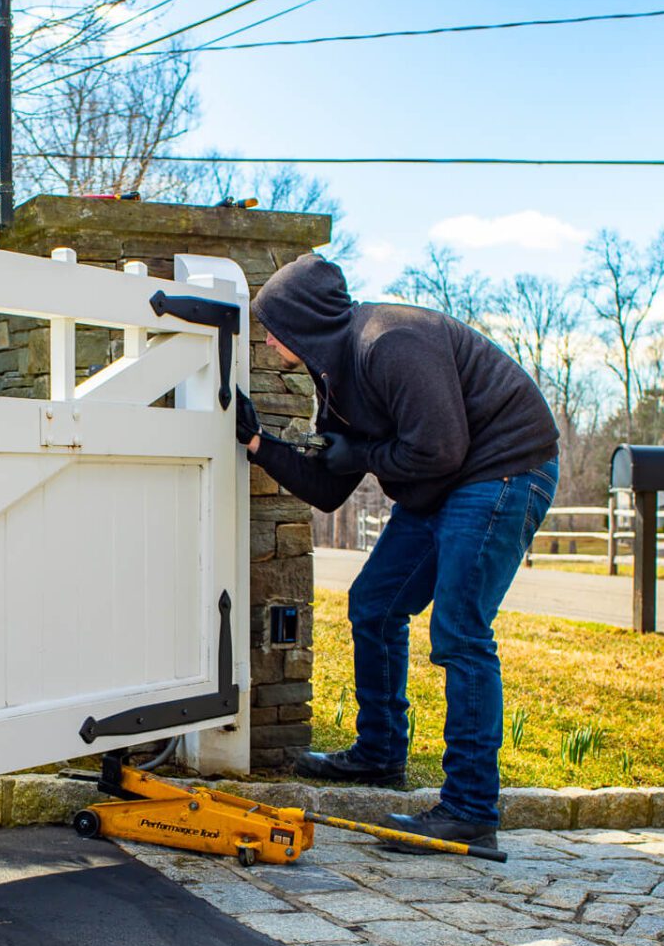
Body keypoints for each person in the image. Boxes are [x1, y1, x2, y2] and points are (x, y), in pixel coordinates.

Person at [237, 254, 559, 849]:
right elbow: (330, 489)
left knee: (460, 630)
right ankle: (379, 751)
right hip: (446, 483)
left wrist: (359, 455)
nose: (267, 336)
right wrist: (260, 444)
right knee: (376, 604)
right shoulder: (334, 381)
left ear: (302, 321)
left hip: (504, 469)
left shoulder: (389, 342)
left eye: (271, 322)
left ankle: (470, 809)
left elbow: (438, 448)